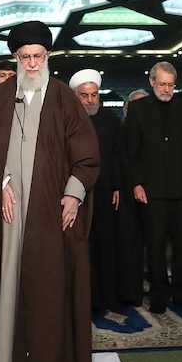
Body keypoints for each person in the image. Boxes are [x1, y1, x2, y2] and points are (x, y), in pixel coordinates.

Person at [0, 20, 99, 362]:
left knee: (46, 284)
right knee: (4, 280)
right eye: (25, 57)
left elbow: (86, 156)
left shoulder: (65, 97)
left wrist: (73, 193)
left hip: (50, 210)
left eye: (38, 56)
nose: (32, 63)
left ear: (47, 56)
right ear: (15, 58)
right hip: (8, 208)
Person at [126, 62, 182, 314]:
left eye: (171, 84)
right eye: (162, 84)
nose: (167, 88)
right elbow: (132, 151)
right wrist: (136, 183)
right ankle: (159, 296)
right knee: (156, 245)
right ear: (152, 82)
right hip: (152, 191)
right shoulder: (138, 109)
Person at [69, 68, 142, 312]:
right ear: (75, 96)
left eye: (94, 95)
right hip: (76, 195)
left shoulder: (110, 120)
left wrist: (118, 186)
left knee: (108, 245)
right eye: (84, 95)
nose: (90, 100)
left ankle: (108, 296)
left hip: (106, 193)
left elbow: (120, 156)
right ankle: (83, 298)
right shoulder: (65, 120)